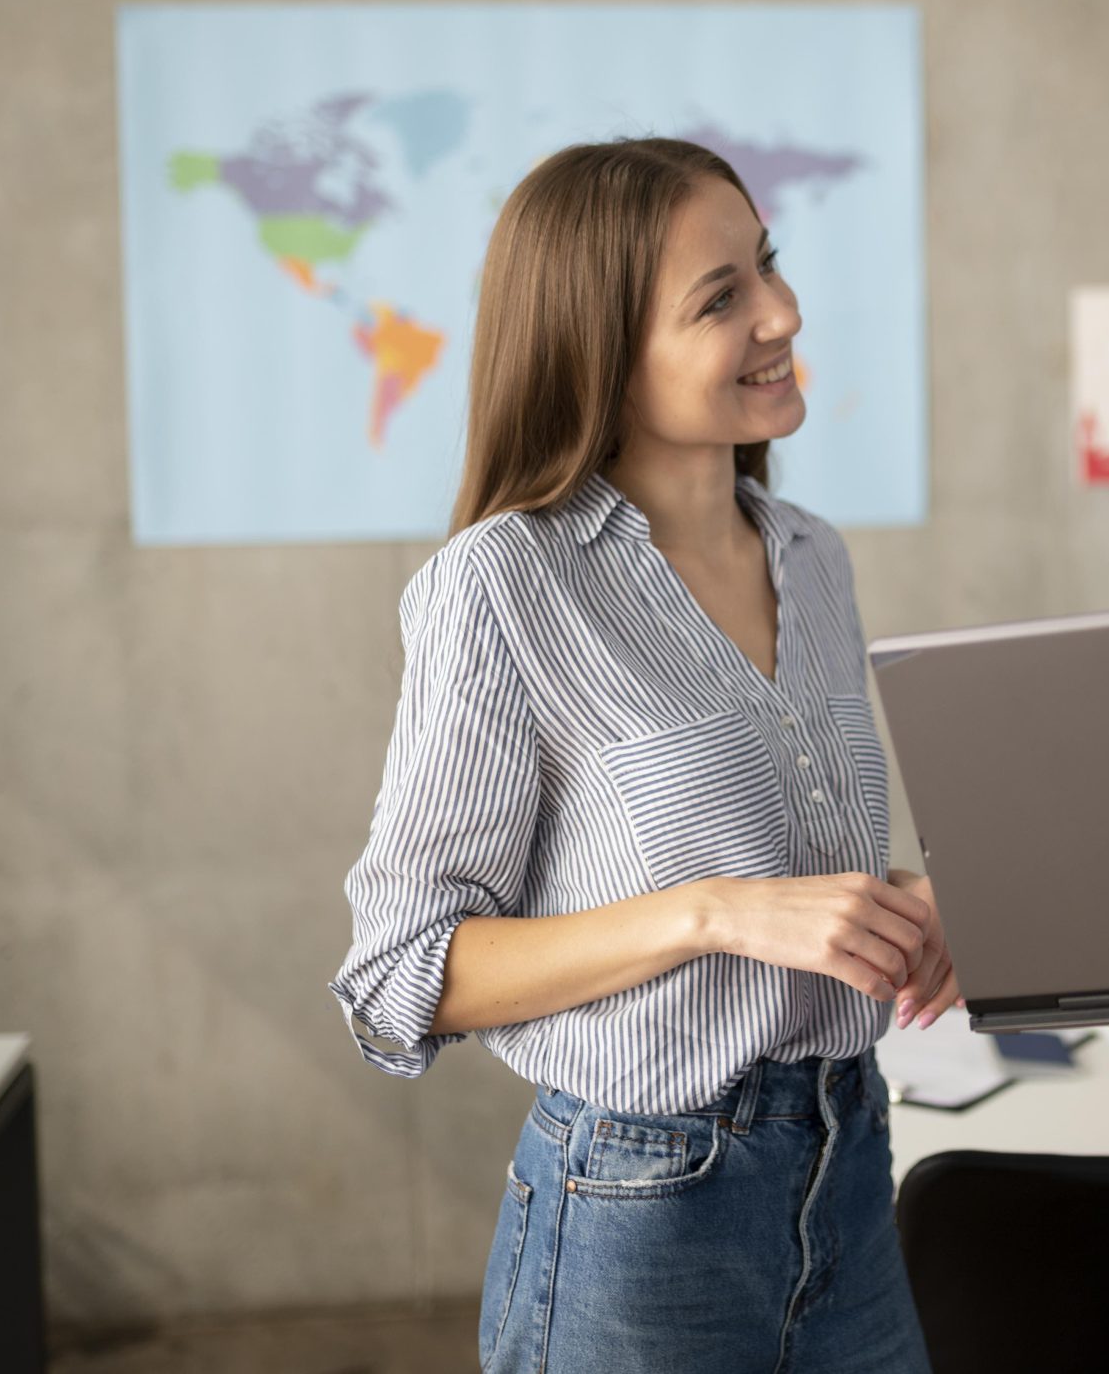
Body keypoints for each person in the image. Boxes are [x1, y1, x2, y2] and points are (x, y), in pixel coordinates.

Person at [330, 138, 952, 1373]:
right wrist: (709, 912)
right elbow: (400, 976)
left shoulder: (812, 556)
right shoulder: (501, 586)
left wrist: (912, 911)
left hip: (853, 1169)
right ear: (600, 354)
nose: (781, 311)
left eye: (764, 266)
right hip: (644, 1209)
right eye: (720, 298)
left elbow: (808, 887)